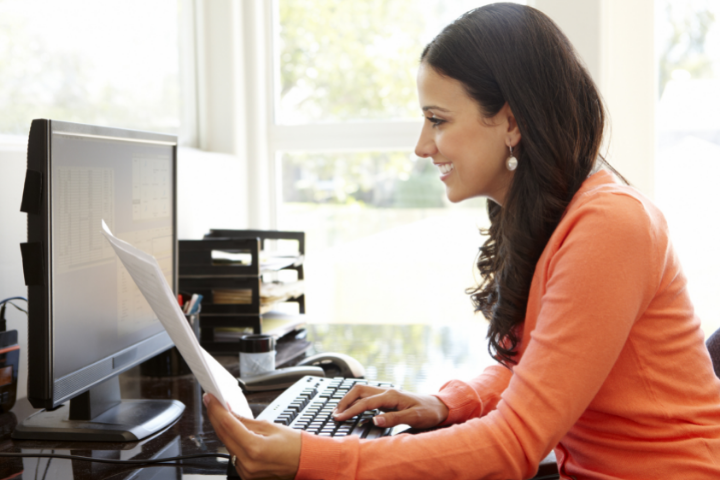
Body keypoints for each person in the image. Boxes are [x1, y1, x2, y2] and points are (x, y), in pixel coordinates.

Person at [204, 3, 720, 479]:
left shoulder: (611, 226)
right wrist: (447, 403)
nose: (422, 146)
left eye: (438, 120)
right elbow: (543, 369)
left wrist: (308, 456)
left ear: (511, 121)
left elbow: (512, 445)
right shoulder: (553, 213)